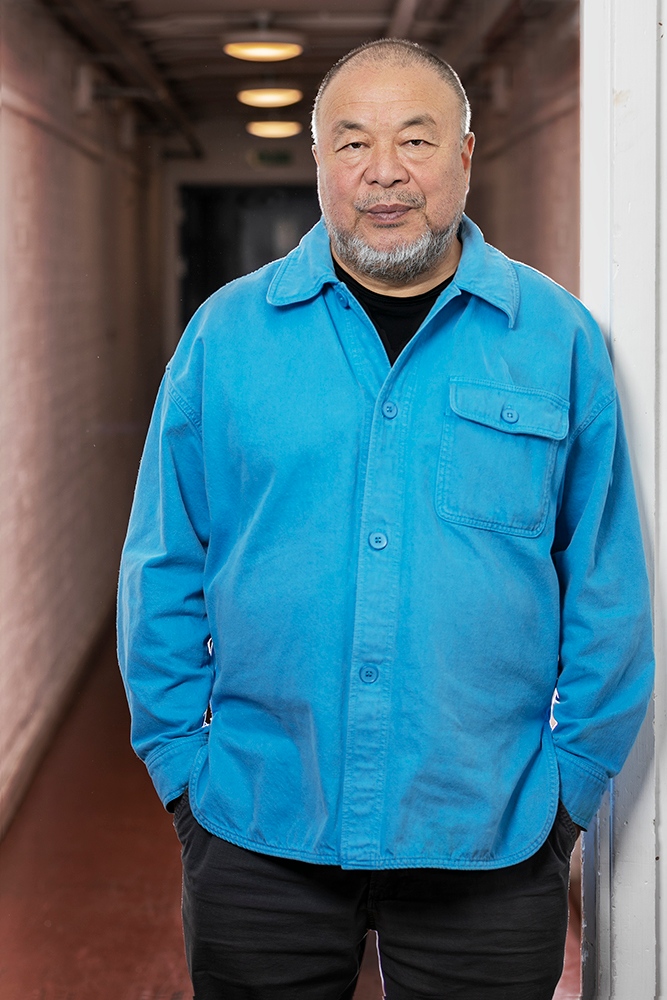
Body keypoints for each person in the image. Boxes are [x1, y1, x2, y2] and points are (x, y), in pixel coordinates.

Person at [117, 39, 654, 1000]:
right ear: (319, 162)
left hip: (487, 834)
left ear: (465, 155)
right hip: (256, 827)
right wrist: (179, 769)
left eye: (415, 137)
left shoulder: (554, 339)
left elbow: (606, 585)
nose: (384, 170)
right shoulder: (227, 337)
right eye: (352, 141)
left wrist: (567, 790)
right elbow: (162, 563)